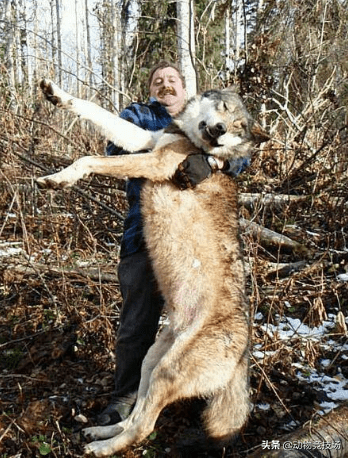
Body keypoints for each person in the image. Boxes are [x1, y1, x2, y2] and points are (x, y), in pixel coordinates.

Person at [96, 61, 250, 426]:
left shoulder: (208, 116)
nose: (166, 85)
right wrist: (167, 155)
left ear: (186, 89)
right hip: (145, 232)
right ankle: (126, 398)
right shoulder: (137, 114)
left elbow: (240, 157)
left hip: (198, 242)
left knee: (204, 321)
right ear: (151, 89)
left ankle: (198, 392)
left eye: (172, 80)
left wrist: (213, 163)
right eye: (157, 81)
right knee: (137, 322)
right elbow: (118, 149)